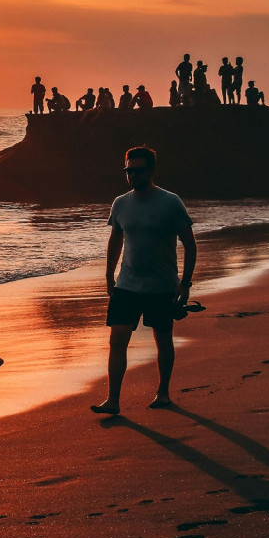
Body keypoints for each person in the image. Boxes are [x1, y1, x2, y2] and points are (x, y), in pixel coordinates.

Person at [92, 147, 197, 415]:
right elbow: (115, 240)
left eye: (138, 170)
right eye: (129, 171)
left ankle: (163, 393)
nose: (132, 175)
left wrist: (185, 283)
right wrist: (108, 275)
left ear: (151, 171)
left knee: (162, 339)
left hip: (162, 286)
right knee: (117, 340)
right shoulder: (120, 203)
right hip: (126, 284)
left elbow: (190, 243)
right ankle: (113, 400)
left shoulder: (170, 202)